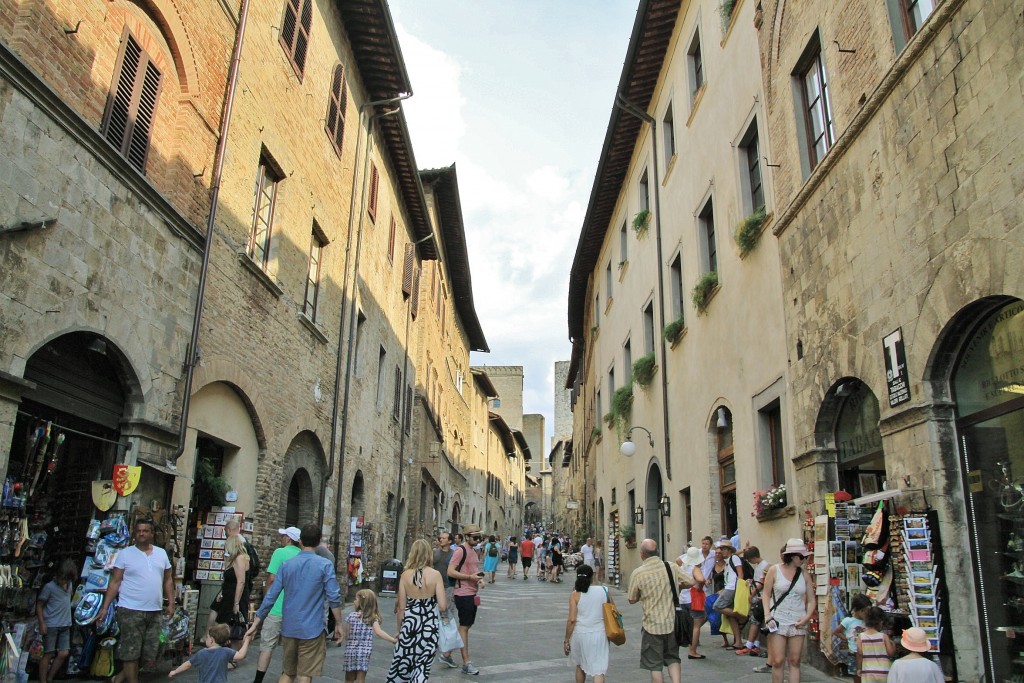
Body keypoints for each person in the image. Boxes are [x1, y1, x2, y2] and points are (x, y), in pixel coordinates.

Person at [245, 524, 343, 683]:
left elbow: (271, 595)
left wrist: (256, 622)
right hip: (313, 628)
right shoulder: (325, 565)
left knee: (288, 672)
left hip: (289, 626)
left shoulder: (287, 565)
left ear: (300, 540)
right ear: (318, 542)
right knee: (304, 673)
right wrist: (338, 623)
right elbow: (334, 597)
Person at [97, 518, 175, 683]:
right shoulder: (125, 554)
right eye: (139, 531)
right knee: (131, 651)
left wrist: (171, 603)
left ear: (152, 534)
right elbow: (115, 581)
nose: (141, 534)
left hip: (154, 611)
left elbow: (168, 580)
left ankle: (118, 678)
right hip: (130, 609)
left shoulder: (161, 553)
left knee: (150, 652)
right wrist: (105, 607)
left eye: (145, 531)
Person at [627, 539, 693, 683]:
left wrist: (643, 595)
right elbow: (691, 581)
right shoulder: (671, 567)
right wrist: (678, 587)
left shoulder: (638, 573)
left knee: (655, 665)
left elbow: (631, 599)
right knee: (673, 658)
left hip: (651, 625)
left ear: (642, 554)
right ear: (657, 552)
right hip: (671, 623)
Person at [386, 539, 447, 681]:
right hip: (429, 626)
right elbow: (443, 606)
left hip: (410, 625)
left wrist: (399, 629)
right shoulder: (435, 575)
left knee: (403, 664)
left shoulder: (405, 575)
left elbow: (401, 608)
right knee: (422, 667)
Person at [761, 538, 816, 683]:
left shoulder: (804, 574)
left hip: (797, 620)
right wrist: (767, 615)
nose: (804, 560)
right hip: (777, 620)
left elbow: (811, 600)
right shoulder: (774, 570)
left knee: (795, 660)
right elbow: (766, 595)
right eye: (802, 557)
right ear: (793, 556)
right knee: (778, 660)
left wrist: (806, 618)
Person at [253, 528, 302, 683]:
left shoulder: (280, 552)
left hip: (276, 607)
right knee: (290, 649)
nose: (281, 538)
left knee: (267, 646)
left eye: (283, 536)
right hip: (294, 611)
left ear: (289, 539)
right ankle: (285, 677)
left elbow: (271, 579)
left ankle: (258, 680)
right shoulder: (302, 555)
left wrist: (267, 599)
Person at [447, 524, 486, 675]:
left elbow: (473, 570)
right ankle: (466, 663)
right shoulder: (460, 551)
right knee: (464, 626)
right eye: (475, 538)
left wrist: (479, 579)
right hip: (462, 593)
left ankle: (447, 653)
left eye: (479, 538)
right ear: (467, 537)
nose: (478, 540)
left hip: (472, 593)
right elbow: (450, 571)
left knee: (466, 625)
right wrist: (469, 578)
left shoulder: (474, 551)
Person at [563, 564, 608, 683]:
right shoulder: (603, 590)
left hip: (580, 634)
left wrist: (566, 639)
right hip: (599, 633)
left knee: (580, 666)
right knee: (598, 670)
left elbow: (572, 619)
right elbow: (613, 610)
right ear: (592, 577)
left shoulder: (575, 594)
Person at [208, 526, 251, 646]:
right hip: (228, 594)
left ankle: (234, 651)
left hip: (234, 595)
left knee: (234, 624)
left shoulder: (240, 558)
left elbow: (241, 581)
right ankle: (222, 646)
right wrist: (222, 592)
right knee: (225, 623)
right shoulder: (234, 558)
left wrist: (236, 603)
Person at [36, 559, 76, 683]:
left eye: (65, 579)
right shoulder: (49, 587)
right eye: (61, 578)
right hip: (51, 624)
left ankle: (50, 677)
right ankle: (43, 680)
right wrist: (42, 623)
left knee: (64, 653)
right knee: (48, 653)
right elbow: (39, 605)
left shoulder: (69, 585)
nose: (62, 581)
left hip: (65, 623)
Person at [341, 589, 395, 682]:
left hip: (350, 651)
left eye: (355, 599)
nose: (354, 601)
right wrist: (393, 640)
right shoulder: (372, 618)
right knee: (361, 679)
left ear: (362, 602)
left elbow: (347, 635)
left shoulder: (351, 616)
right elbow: (379, 632)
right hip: (364, 653)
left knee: (349, 678)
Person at [168, 624, 252, 683]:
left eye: (207, 637)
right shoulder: (226, 651)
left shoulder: (202, 653)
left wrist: (175, 671)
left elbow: (187, 665)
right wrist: (247, 641)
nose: (206, 639)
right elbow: (241, 655)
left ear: (211, 640)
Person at [736, 546, 769, 656]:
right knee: (757, 621)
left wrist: (752, 594)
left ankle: (750, 645)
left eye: (749, 560)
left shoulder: (764, 566)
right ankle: (756, 644)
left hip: (760, 597)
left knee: (754, 620)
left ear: (753, 558)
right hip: (759, 596)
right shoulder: (761, 565)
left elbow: (761, 583)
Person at [713, 540, 746, 650]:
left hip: (732, 588)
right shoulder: (727, 561)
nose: (722, 551)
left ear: (729, 550)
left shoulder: (734, 558)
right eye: (721, 549)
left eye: (724, 549)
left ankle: (741, 616)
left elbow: (740, 573)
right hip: (729, 587)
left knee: (717, 606)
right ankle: (738, 642)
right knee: (729, 616)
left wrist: (739, 589)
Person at [675, 547, 706, 660]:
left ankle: (690, 646)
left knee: (689, 625)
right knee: (696, 626)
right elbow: (701, 579)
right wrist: (699, 587)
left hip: (683, 599)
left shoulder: (682, 567)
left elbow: (677, 560)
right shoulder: (695, 568)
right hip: (693, 599)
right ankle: (692, 651)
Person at [833, 593, 871, 680]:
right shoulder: (848, 621)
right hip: (854, 653)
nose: (866, 613)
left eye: (868, 611)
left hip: (867, 652)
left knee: (866, 676)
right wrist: (846, 638)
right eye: (863, 611)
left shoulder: (869, 621)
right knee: (856, 676)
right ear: (856, 609)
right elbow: (837, 632)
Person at [432, 531, 457, 663]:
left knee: (446, 613)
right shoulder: (434, 553)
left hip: (448, 587)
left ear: (450, 541)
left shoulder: (454, 555)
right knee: (433, 613)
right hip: (434, 587)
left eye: (444, 538)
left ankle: (446, 640)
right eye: (440, 538)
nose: (441, 540)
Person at [856, 606, 894, 682]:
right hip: (884, 671)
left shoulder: (861, 636)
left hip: (868, 672)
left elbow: (860, 654)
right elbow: (890, 653)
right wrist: (893, 644)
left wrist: (859, 668)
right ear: (881, 622)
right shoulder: (884, 636)